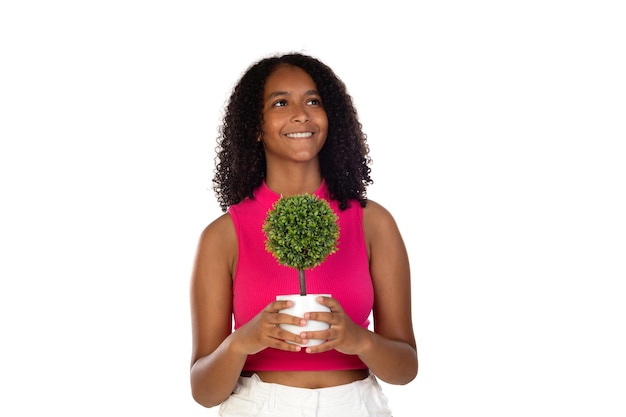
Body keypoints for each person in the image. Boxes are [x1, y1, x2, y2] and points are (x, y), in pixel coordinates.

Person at [189, 52, 417, 417]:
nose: (302, 114)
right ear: (255, 126)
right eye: (281, 102)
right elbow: (203, 390)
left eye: (313, 101)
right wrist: (241, 343)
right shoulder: (223, 235)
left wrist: (358, 340)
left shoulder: (372, 223)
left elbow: (405, 369)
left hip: (356, 406)